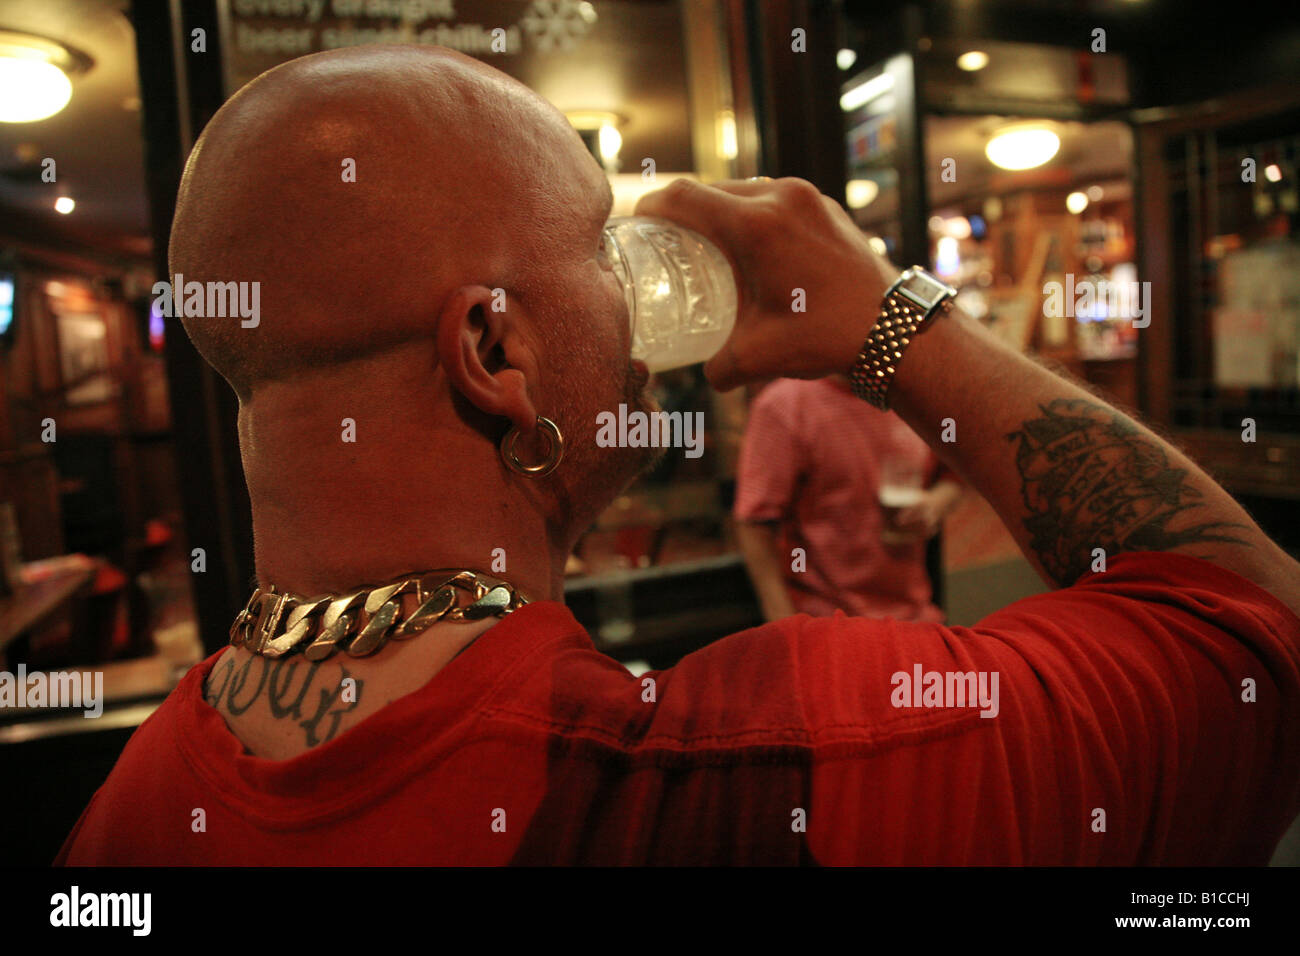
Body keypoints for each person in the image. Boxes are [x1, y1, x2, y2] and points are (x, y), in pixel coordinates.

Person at [57, 45, 1300, 865]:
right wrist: (895, 322)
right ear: (494, 347)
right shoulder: (780, 769)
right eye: (598, 239)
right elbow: (1251, 631)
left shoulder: (132, 807)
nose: (631, 281)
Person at [734, 372, 962, 622]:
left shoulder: (916, 397)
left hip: (914, 616)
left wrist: (935, 504)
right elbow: (755, 522)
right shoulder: (784, 405)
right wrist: (783, 622)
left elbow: (955, 473)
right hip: (825, 623)